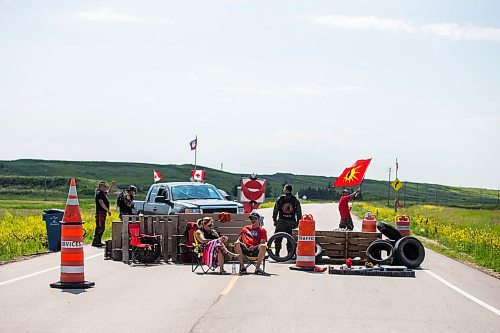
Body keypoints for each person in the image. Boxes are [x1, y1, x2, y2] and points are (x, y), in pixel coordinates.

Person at [272, 184, 302, 257]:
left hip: (281, 221)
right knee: (290, 239)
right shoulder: (295, 200)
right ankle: (290, 254)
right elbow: (299, 212)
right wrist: (298, 222)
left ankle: (277, 254)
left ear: (285, 189)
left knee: (278, 238)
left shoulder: (280, 199)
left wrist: (275, 220)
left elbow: (275, 210)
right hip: (291, 222)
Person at [93, 180, 114, 247]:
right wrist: (108, 210)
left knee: (102, 227)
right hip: (100, 213)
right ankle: (96, 241)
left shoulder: (102, 192)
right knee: (100, 227)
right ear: (101, 186)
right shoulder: (99, 193)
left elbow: (109, 192)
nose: (105, 187)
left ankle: (98, 241)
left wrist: (112, 185)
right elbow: (101, 203)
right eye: (104, 186)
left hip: (102, 212)